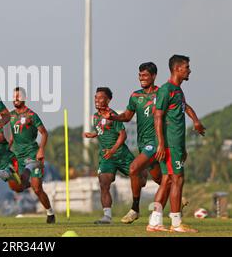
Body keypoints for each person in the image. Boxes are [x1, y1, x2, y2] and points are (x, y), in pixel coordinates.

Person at [100, 62, 205, 224]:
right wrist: (113, 117)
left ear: (154, 76)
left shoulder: (162, 92)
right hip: (143, 144)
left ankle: (135, 209)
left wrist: (196, 121)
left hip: (156, 142)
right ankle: (175, 206)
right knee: (161, 179)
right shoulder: (135, 96)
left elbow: (185, 106)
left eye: (145, 75)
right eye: (140, 75)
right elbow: (127, 116)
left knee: (134, 168)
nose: (141, 78)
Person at [147, 55, 204, 233]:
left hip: (176, 144)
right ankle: (177, 223)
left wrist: (195, 121)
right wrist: (161, 145)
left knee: (167, 181)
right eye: (187, 67)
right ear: (177, 68)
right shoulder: (166, 90)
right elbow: (157, 117)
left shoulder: (177, 91)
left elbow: (185, 107)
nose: (189, 70)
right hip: (169, 144)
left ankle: (155, 221)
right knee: (177, 179)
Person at [84, 87, 135, 224]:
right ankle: (107, 217)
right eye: (96, 97)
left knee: (140, 179)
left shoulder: (113, 115)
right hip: (106, 157)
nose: (97, 100)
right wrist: (93, 134)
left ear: (108, 100)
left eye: (101, 98)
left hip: (122, 155)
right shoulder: (95, 117)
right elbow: (102, 130)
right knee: (104, 183)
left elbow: (123, 135)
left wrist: (112, 150)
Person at [9, 87, 55, 224]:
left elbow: (45, 133)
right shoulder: (9, 116)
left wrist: (41, 150)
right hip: (17, 156)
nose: (15, 99)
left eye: (18, 96)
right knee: (16, 187)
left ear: (24, 98)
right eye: (14, 96)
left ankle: (50, 213)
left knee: (37, 188)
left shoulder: (31, 115)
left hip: (32, 154)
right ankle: (26, 182)